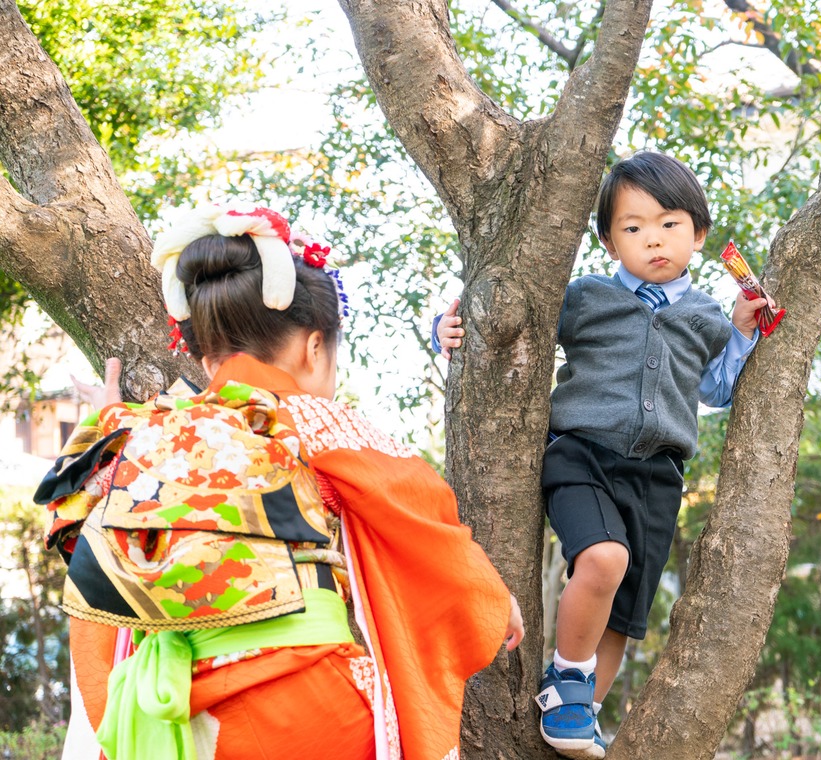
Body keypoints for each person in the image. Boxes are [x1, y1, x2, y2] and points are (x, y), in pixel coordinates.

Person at [37, 204, 524, 760]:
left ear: (202, 352)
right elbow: (414, 510)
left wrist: (110, 416)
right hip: (309, 706)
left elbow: (83, 536)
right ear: (314, 346)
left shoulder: (150, 429)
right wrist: (490, 596)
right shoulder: (306, 420)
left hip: (176, 714)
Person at [433, 152, 775, 758]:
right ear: (609, 241)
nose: (653, 239)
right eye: (632, 227)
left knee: (624, 612)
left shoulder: (706, 316)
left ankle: (580, 712)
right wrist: (450, 329)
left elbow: (717, 390)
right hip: (582, 455)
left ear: (698, 233)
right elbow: (510, 324)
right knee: (603, 559)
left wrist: (744, 333)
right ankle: (564, 678)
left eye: (669, 224)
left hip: (659, 476)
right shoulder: (585, 297)